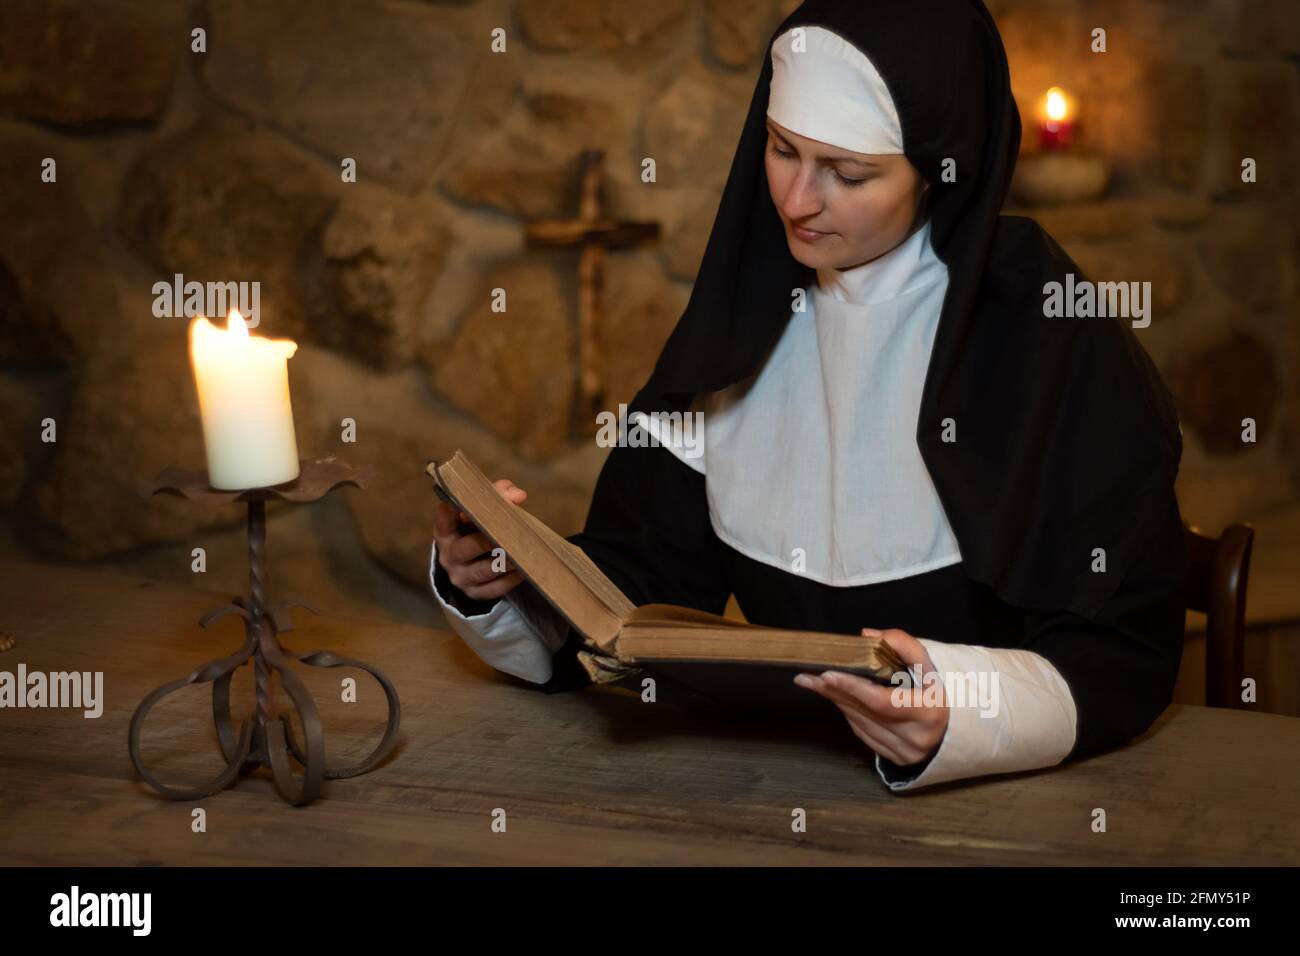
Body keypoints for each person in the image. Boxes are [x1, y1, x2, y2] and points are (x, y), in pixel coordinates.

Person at [431, 0, 1186, 791]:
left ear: (937, 168)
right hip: (769, 791)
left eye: (848, 173)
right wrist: (500, 581)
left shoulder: (1041, 321)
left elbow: (1121, 645)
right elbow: (637, 600)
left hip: (1010, 811)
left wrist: (959, 710)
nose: (795, 200)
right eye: (781, 149)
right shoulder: (746, 313)